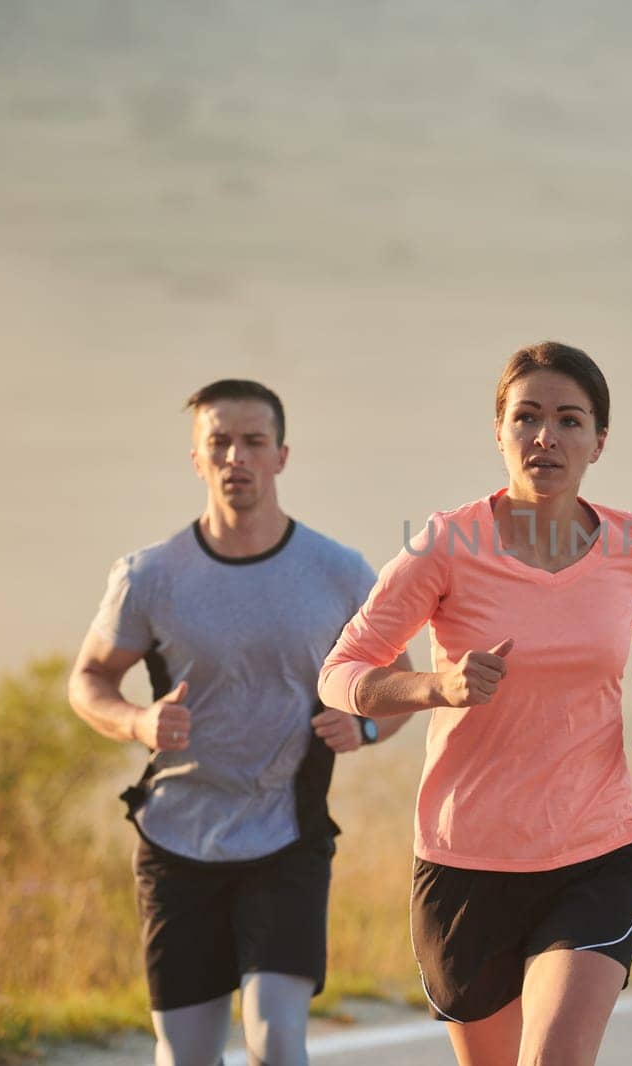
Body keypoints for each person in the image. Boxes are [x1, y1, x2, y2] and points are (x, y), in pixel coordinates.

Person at [318, 342, 632, 1066]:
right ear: (500, 431)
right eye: (527, 417)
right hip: (466, 862)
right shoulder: (447, 546)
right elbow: (340, 672)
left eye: (569, 420)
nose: (546, 436)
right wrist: (434, 687)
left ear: (598, 442)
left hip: (595, 852)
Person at [68, 379, 407, 1066]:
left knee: (277, 1040)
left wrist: (364, 727)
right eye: (218, 443)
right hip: (176, 839)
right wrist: (138, 722)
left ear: (282, 455)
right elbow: (89, 680)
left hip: (287, 836)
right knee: (188, 1055)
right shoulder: (151, 576)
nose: (236, 458)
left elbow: (400, 684)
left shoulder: (337, 573)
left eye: (252, 442)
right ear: (197, 458)